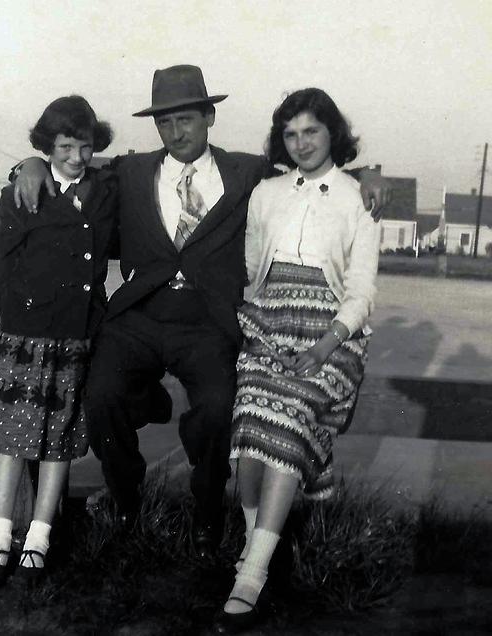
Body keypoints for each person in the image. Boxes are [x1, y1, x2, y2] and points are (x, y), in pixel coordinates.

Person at [13, 66, 391, 559]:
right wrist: (29, 164)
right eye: (165, 123)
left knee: (217, 407)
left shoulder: (246, 173)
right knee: (101, 393)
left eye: (187, 119)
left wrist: (370, 174)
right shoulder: (131, 172)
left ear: (210, 117)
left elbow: (310, 174)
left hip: (207, 320)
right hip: (140, 315)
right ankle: (126, 501)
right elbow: (71, 168)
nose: (177, 132)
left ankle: (207, 510)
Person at [213, 88, 381, 633]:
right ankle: (253, 538)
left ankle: (253, 570)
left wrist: (324, 345)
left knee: (285, 422)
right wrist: (256, 326)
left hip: (333, 334)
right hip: (266, 323)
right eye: (290, 134)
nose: (301, 143)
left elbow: (361, 294)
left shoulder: (361, 198)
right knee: (247, 443)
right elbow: (251, 266)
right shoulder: (266, 192)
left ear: (333, 132)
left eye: (311, 131)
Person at [0, 95, 116, 587]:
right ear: (47, 146)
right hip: (22, 335)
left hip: (75, 337)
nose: (75, 157)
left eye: (85, 146)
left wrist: (26, 163)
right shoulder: (22, 193)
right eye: (64, 146)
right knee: (11, 442)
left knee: (59, 443)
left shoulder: (106, 189)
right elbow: (2, 264)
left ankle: (38, 542)